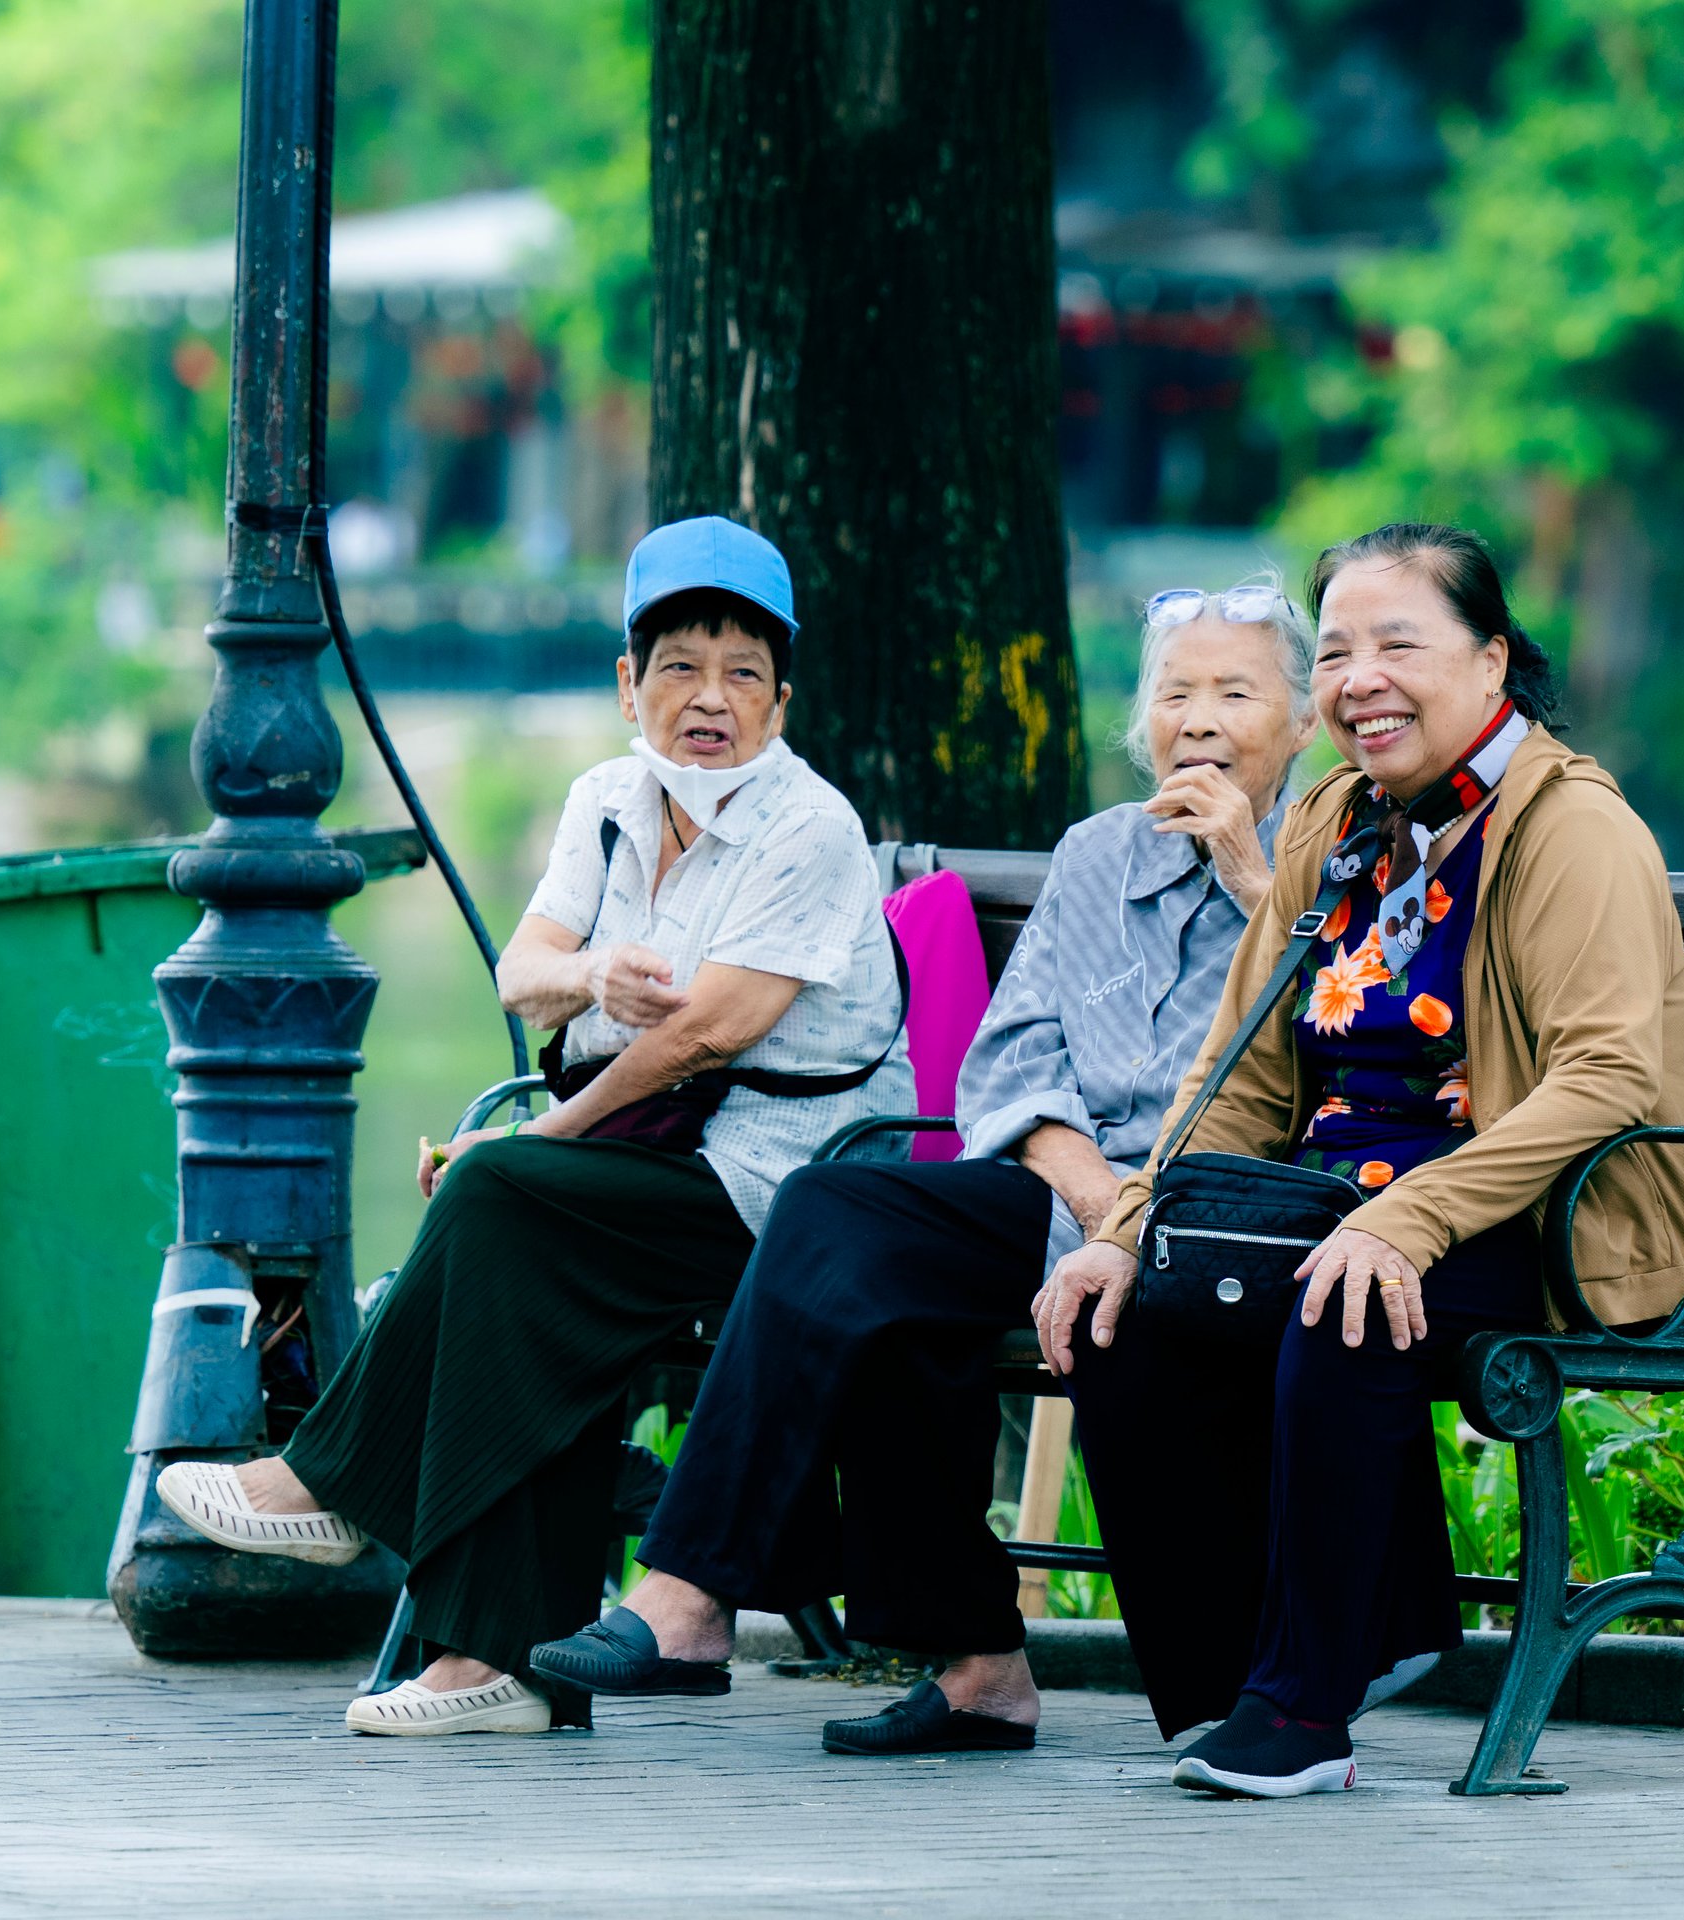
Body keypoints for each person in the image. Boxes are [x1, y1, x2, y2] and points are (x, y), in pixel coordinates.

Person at [153, 516, 912, 1737]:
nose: (708, 700)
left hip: (794, 1190)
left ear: (781, 701)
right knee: (516, 1243)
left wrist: (541, 1139)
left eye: (742, 675)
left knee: (502, 1201)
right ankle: (499, 1666)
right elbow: (524, 970)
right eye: (678, 668)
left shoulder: (807, 828)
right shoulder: (607, 799)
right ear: (627, 684)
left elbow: (704, 1037)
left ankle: (342, 1488)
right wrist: (597, 972)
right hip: (653, 1158)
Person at [529, 575, 1315, 1754]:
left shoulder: (1331, 865)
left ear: (1303, 724)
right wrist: (1096, 1195)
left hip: (1223, 1222)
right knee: (845, 1217)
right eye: (1174, 693)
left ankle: (1185, 1685)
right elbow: (1010, 1061)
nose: (1196, 720)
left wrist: (1259, 886)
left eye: (1234, 693)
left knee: (944, 1295)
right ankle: (727, 1604)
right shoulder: (1098, 854)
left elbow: (1340, 1050)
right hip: (1071, 1198)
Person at [1035, 522, 1684, 1798]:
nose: (1360, 677)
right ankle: (1227, 1692)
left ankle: (1303, 1717)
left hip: (1547, 1220)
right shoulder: (1338, 820)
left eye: (1399, 643)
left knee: (1343, 1302)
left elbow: (1608, 1076)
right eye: (1339, 648)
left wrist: (1407, 1220)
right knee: (1129, 1311)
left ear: (1492, 660)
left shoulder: (1570, 828)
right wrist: (1125, 1226)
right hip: (1344, 1206)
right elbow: (1237, 1070)